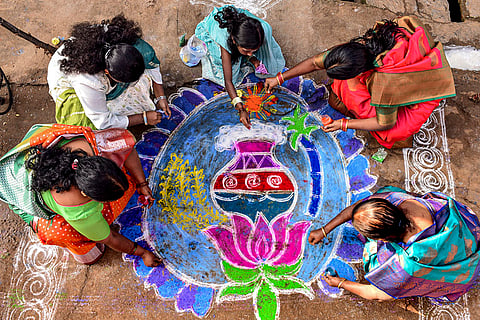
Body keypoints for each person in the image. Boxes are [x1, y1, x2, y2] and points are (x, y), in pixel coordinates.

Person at [265, 16, 455, 148]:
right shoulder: (362, 47)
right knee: (342, 95)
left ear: (360, 72)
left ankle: (399, 139)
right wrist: (279, 78)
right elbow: (315, 63)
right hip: (401, 71)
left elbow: (384, 123)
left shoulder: (385, 83)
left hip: (415, 93)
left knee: (393, 129)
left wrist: (343, 124)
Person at [0, 124, 161, 266]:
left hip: (28, 159)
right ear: (85, 194)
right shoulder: (77, 208)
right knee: (68, 234)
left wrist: (141, 183)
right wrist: (142, 253)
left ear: (98, 159)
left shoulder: (92, 145)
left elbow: (126, 148)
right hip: (19, 190)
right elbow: (110, 237)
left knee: (126, 182)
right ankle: (85, 253)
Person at [308, 186, 480, 301]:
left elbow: (376, 293)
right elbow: (360, 207)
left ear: (382, 239)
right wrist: (324, 230)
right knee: (384, 191)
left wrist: (340, 283)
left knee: (375, 267)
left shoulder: (407, 264)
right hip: (467, 234)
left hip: (462, 269)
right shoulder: (399, 201)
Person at [47, 14, 171, 130]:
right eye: (125, 83)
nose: (129, 85)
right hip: (67, 78)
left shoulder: (131, 43)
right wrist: (142, 118)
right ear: (106, 72)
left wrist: (161, 96)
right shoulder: (88, 81)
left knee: (141, 85)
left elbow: (152, 65)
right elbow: (102, 121)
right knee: (88, 130)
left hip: (98, 67)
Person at [195, 5, 285, 129]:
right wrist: (240, 108)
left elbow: (253, 51)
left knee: (265, 61)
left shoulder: (260, 29)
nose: (250, 53)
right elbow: (228, 81)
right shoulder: (224, 43)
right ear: (234, 41)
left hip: (238, 34)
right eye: (246, 51)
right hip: (218, 33)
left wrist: (252, 58)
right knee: (229, 65)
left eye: (254, 50)